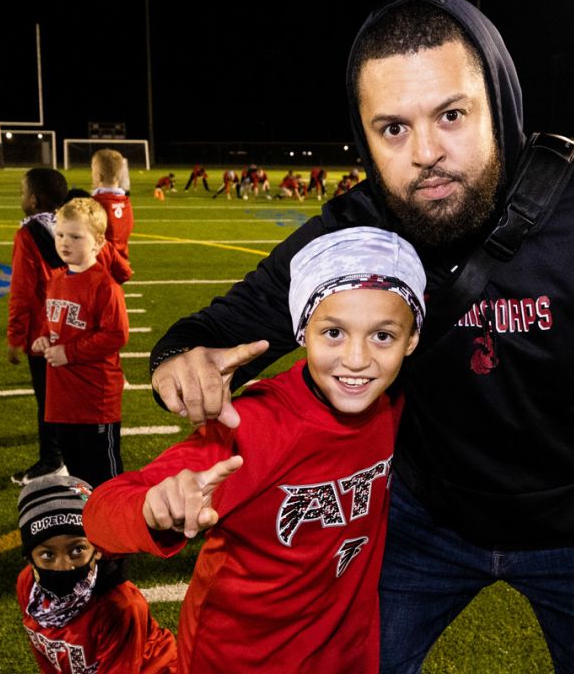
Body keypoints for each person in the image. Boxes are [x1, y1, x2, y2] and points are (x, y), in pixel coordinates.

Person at [146, 0, 574, 673]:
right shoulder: (360, 228)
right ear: (365, 137)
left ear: (501, 104)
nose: (426, 151)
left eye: (451, 115)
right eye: (393, 129)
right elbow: (222, 324)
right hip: (426, 521)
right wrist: (178, 360)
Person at [84, 227, 426, 673]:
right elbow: (99, 514)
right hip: (238, 658)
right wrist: (153, 506)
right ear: (302, 330)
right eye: (334, 333)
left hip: (345, 654)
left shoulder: (394, 404)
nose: (357, 359)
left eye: (382, 336)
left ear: (412, 341)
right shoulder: (256, 423)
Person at [16, 475, 178, 674]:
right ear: (30, 559)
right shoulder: (27, 584)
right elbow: (45, 653)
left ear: (98, 547)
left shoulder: (121, 607)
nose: (64, 566)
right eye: (47, 555)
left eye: (77, 550)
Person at [32, 197, 129, 487]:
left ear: (98, 243)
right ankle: (87, 527)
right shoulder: (56, 279)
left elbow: (116, 335)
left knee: (104, 478)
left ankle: (114, 531)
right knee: (77, 476)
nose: (65, 242)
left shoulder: (105, 286)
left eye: (76, 236)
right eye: (60, 234)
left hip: (94, 400)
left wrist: (69, 353)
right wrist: (43, 339)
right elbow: (54, 324)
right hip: (62, 400)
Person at [8, 168, 69, 485]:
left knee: (47, 400)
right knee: (66, 396)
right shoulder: (72, 227)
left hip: (42, 333)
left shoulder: (27, 234)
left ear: (33, 200)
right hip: (72, 324)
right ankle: (66, 454)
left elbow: (22, 289)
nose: (21, 198)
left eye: (22, 192)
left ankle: (53, 461)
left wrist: (15, 336)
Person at [90, 149, 135, 279]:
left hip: (99, 266)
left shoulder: (95, 203)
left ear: (99, 176)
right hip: (120, 265)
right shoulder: (126, 203)